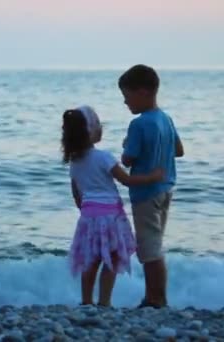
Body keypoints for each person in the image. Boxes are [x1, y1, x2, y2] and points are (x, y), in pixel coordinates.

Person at [62, 105, 163, 307]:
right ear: (90, 132)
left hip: (88, 216)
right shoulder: (103, 157)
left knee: (91, 260)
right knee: (114, 258)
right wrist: (153, 177)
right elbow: (126, 180)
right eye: (98, 124)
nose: (101, 128)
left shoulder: (75, 162)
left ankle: (86, 301)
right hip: (111, 217)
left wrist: (85, 210)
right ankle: (104, 301)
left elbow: (76, 192)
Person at [119, 64, 184, 308]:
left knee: (149, 250)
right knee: (154, 244)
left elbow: (128, 159)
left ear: (143, 92)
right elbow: (179, 150)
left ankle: (155, 299)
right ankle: (156, 297)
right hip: (166, 189)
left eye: (127, 97)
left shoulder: (139, 124)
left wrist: (127, 145)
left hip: (145, 193)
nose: (126, 103)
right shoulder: (165, 118)